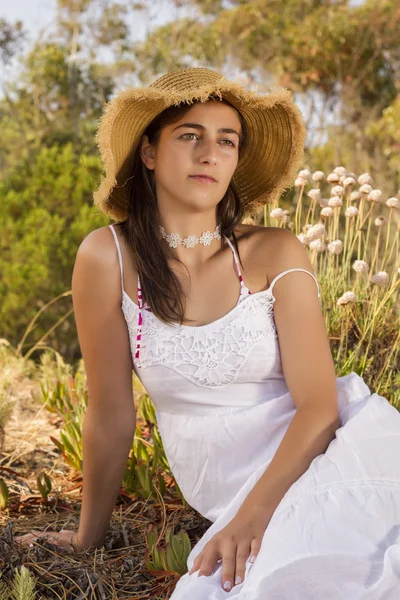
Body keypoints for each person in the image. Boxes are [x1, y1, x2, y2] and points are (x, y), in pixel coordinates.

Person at [15, 67, 400, 599]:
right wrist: (87, 536)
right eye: (189, 136)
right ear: (148, 152)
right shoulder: (108, 258)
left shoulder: (275, 252)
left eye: (226, 141)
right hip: (231, 492)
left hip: (324, 457)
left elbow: (318, 405)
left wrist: (253, 514)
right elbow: (110, 411)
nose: (209, 154)